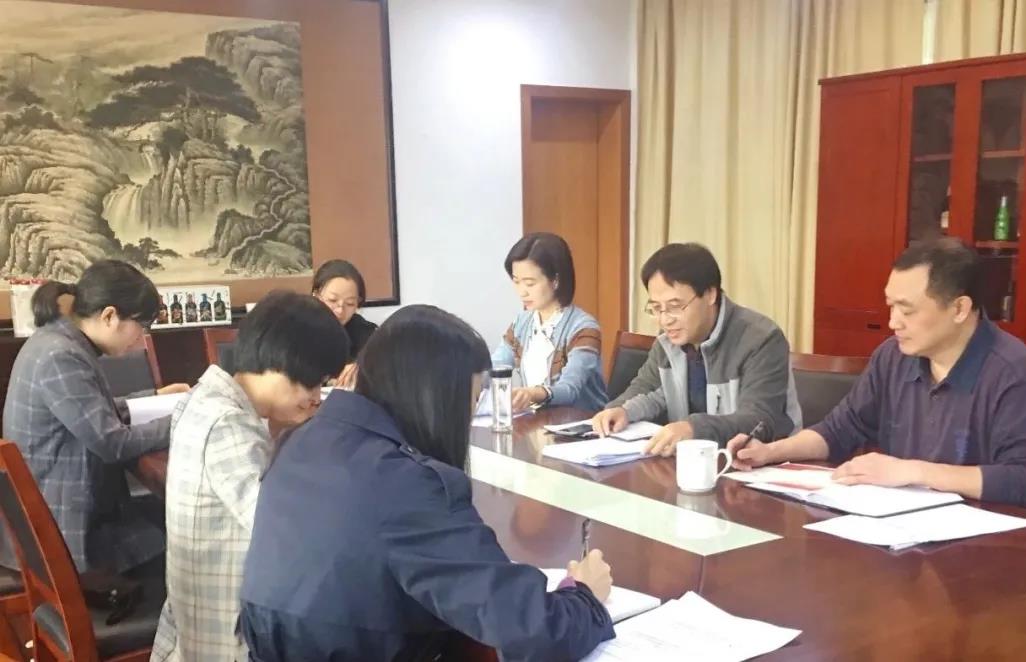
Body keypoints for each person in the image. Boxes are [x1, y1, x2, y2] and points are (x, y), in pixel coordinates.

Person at [239, 305, 615, 661]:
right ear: (436, 398)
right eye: (471, 400)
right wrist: (584, 595)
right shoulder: (405, 482)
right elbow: (533, 631)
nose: (468, 416)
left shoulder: (300, 440)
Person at [727, 238, 1026, 511]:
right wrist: (770, 452)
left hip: (988, 548)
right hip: (904, 534)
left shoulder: (1013, 373)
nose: (892, 322)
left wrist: (913, 471)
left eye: (907, 310)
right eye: (890, 306)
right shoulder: (894, 356)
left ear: (959, 309)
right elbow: (841, 429)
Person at [152, 290, 348, 662]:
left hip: (192, 623)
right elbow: (285, 533)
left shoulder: (204, 400)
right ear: (280, 363)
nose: (316, 397)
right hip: (225, 641)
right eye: (312, 383)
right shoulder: (229, 425)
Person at [0, 260, 189, 574]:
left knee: (165, 517)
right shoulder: (61, 356)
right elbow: (112, 443)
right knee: (183, 535)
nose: (141, 337)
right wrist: (186, 419)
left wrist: (154, 396)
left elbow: (88, 412)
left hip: (51, 514)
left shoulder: (56, 341)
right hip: (64, 534)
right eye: (141, 325)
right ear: (110, 316)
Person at [592, 243, 802, 456]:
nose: (665, 320)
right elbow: (645, 387)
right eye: (656, 308)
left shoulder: (760, 338)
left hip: (759, 463)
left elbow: (759, 420)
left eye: (675, 306)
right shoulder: (668, 342)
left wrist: (693, 428)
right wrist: (619, 409)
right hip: (691, 461)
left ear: (710, 294)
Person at [491, 233, 607, 412]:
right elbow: (495, 366)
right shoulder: (521, 322)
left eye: (530, 283)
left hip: (581, 424)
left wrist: (532, 394)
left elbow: (569, 390)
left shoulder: (584, 328)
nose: (522, 292)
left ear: (555, 280)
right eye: (516, 282)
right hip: (537, 422)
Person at [312, 259, 377, 389]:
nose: (340, 310)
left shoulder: (365, 331)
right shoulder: (297, 329)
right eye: (332, 300)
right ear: (316, 295)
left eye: (350, 303)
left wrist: (363, 367)